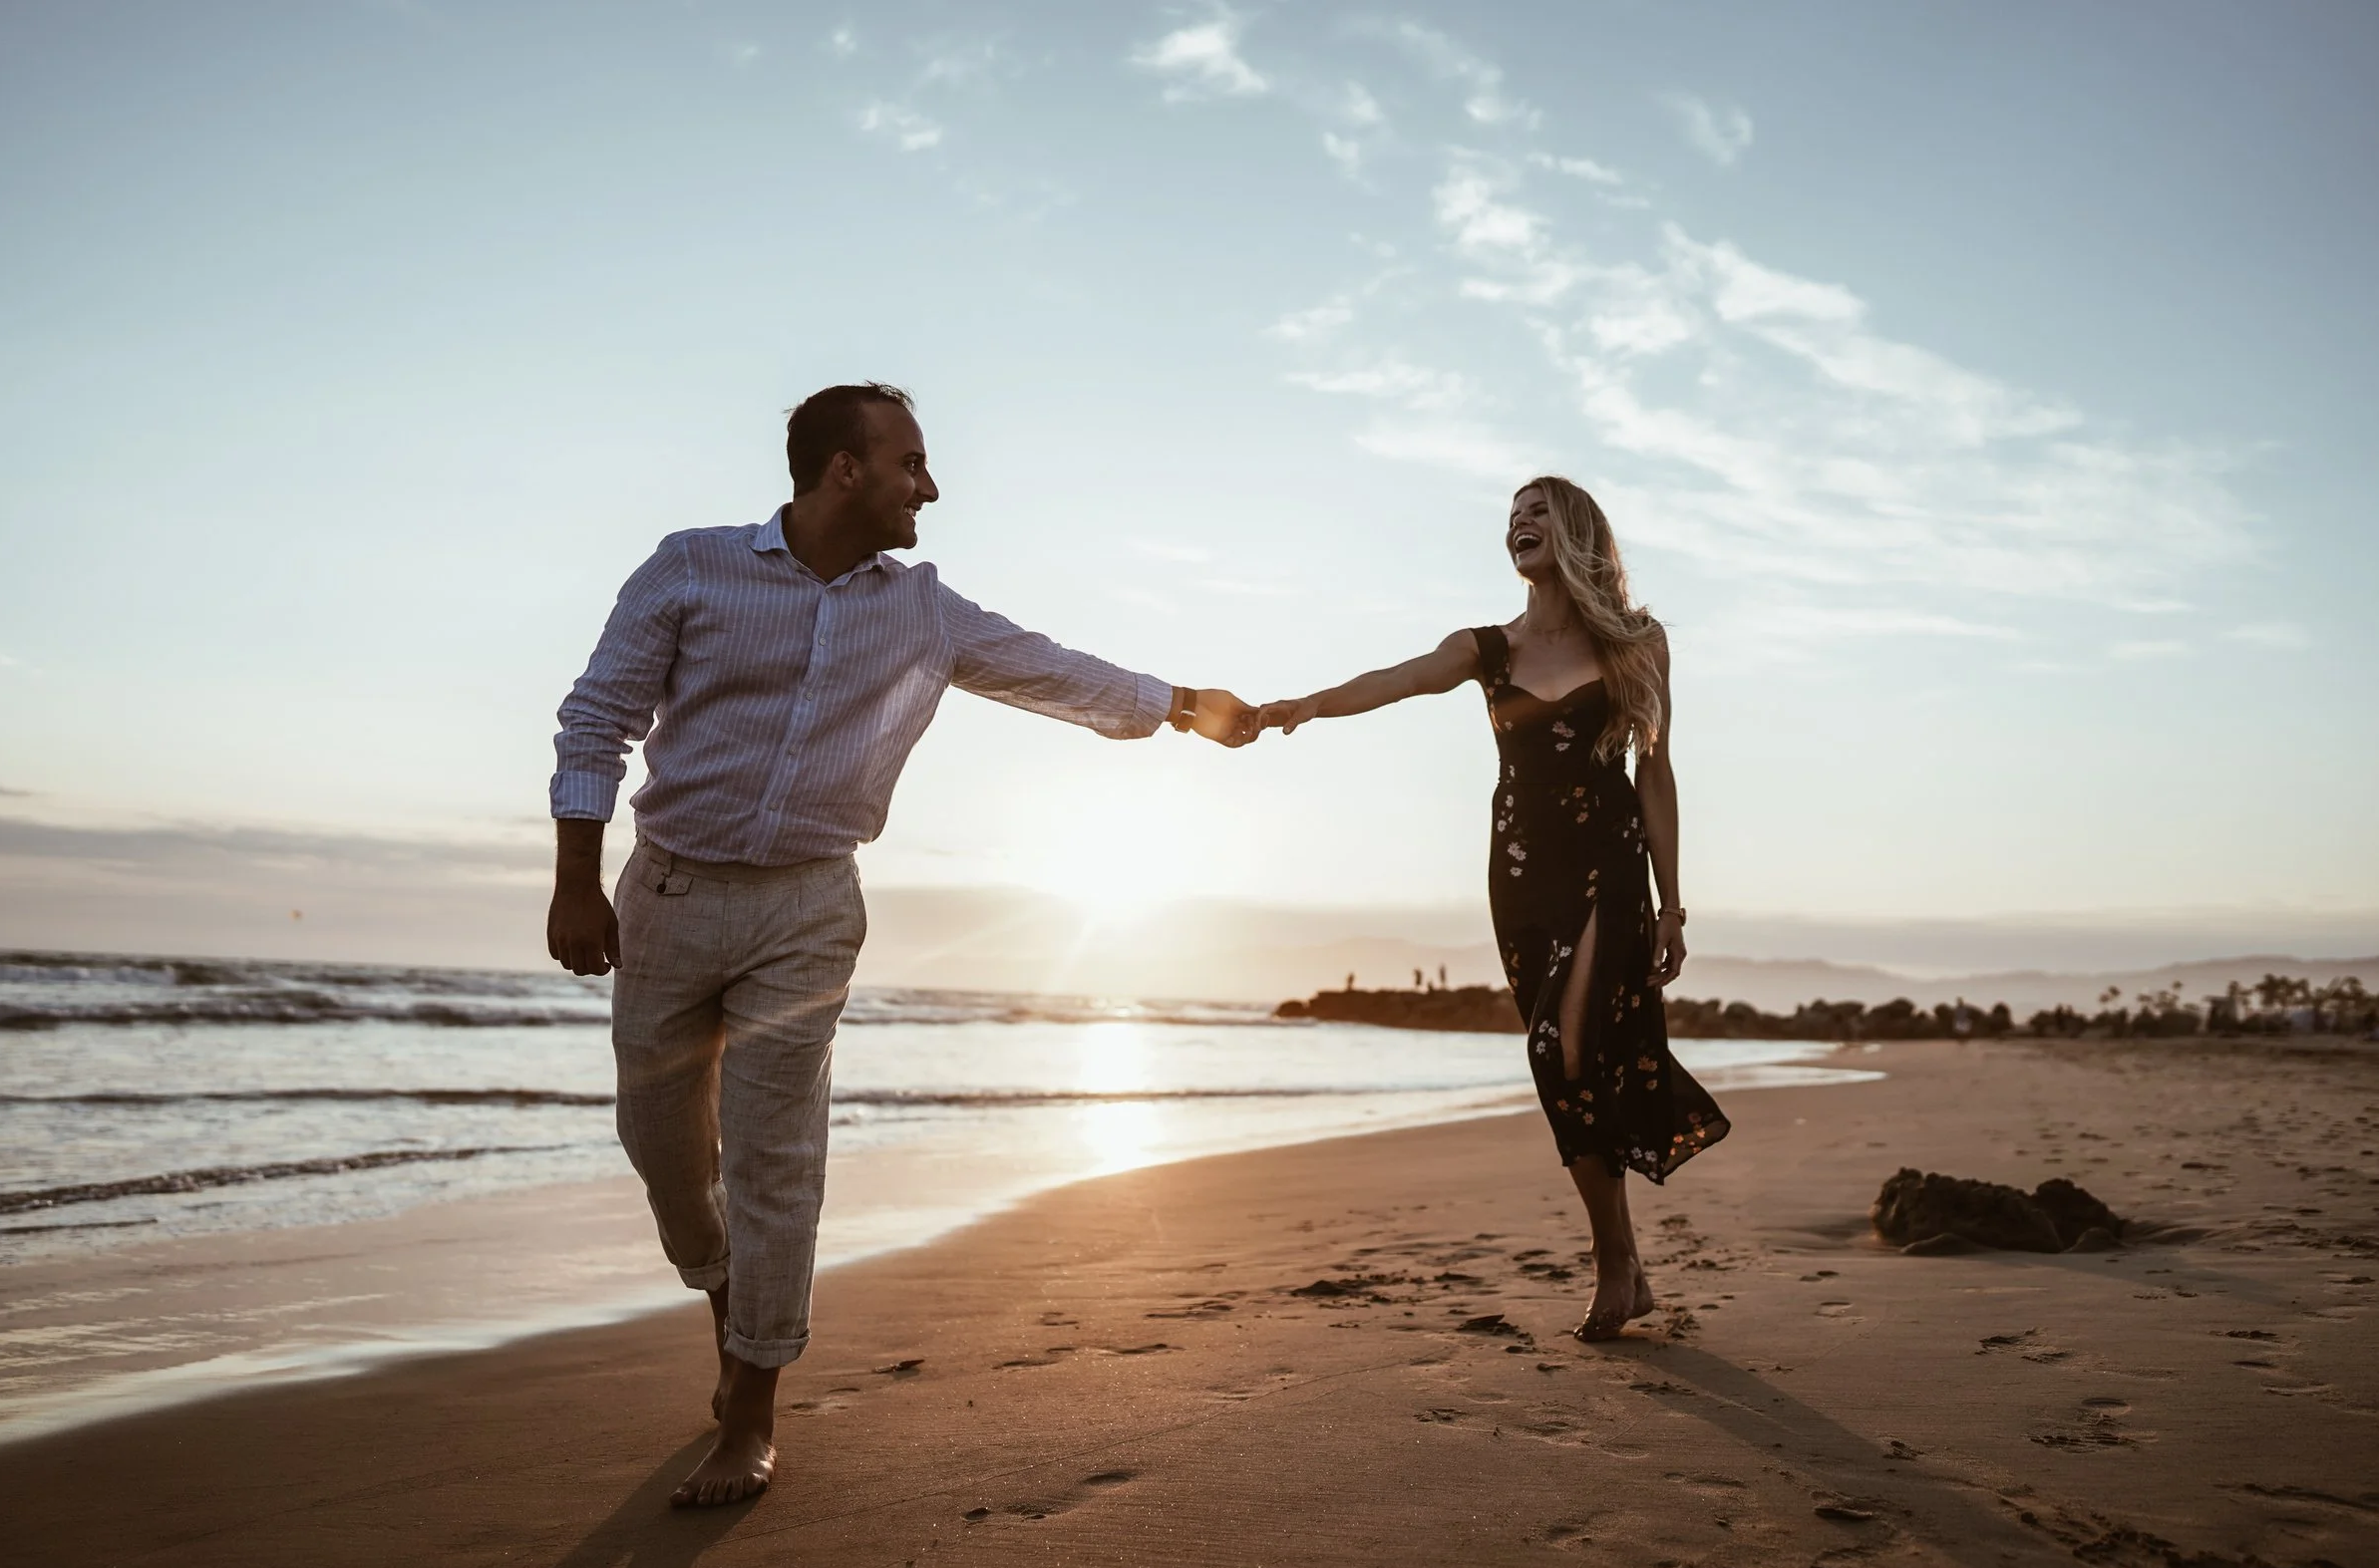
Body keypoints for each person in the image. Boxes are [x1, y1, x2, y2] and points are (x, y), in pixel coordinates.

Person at [545, 383, 1257, 1505]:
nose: (929, 485)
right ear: (843, 469)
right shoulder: (690, 566)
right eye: (911, 464)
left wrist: (1175, 704)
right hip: (670, 892)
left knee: (777, 1156)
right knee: (662, 1144)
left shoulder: (920, 609)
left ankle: (754, 1405)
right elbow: (597, 717)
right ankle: (732, 1299)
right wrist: (577, 882)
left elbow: (1046, 666)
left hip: (809, 906)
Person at [1258, 475, 1725, 1340]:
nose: (1520, 525)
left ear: (1577, 530)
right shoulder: (1486, 647)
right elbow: (1400, 678)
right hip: (1520, 873)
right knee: (1564, 1062)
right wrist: (1311, 705)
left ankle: (1612, 1263)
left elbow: (1655, 770)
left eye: (1537, 512)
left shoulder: (1638, 641)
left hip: (1609, 865)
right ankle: (1624, 1258)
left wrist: (1673, 905)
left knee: (1564, 1042)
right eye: (1512, 517)